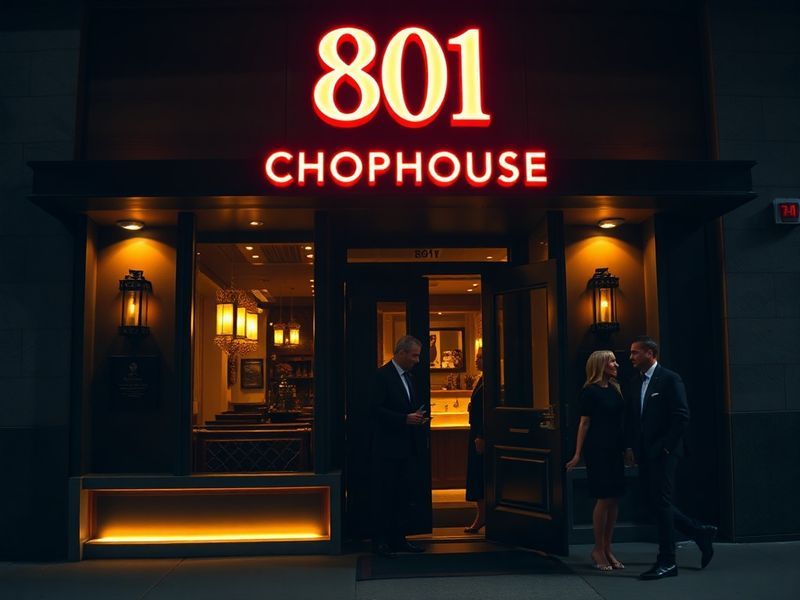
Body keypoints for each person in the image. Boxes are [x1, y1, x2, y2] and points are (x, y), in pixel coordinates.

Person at [625, 336, 717, 580]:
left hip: (665, 453)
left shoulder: (669, 378)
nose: (631, 357)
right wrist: (631, 448)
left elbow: (681, 415)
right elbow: (636, 420)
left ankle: (667, 561)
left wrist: (666, 448)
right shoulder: (636, 382)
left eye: (635, 353)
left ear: (650, 354)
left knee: (662, 502)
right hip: (644, 453)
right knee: (652, 502)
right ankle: (699, 532)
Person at [566, 350, 626, 571]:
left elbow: (621, 421)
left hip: (615, 448)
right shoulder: (589, 392)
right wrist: (577, 453)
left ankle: (608, 547)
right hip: (598, 449)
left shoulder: (615, 388)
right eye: (611, 361)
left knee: (614, 498)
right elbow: (584, 423)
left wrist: (626, 447)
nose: (616, 364)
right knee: (603, 497)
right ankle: (598, 548)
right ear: (600, 365)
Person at [370, 335, 430, 556]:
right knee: (385, 494)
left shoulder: (409, 378)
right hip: (387, 448)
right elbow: (374, 410)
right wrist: (404, 419)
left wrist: (418, 417)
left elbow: (409, 407)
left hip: (407, 447)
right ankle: (381, 541)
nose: (417, 360)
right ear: (401, 353)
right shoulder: (382, 376)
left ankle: (400, 538)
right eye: (414, 355)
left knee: (403, 495)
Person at [464, 348, 485, 534]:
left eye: (479, 358)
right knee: (476, 474)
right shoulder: (482, 380)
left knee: (479, 474)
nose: (476, 361)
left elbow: (487, 412)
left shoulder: (489, 382)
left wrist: (481, 435)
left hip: (481, 434)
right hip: (475, 432)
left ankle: (482, 516)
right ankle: (481, 514)